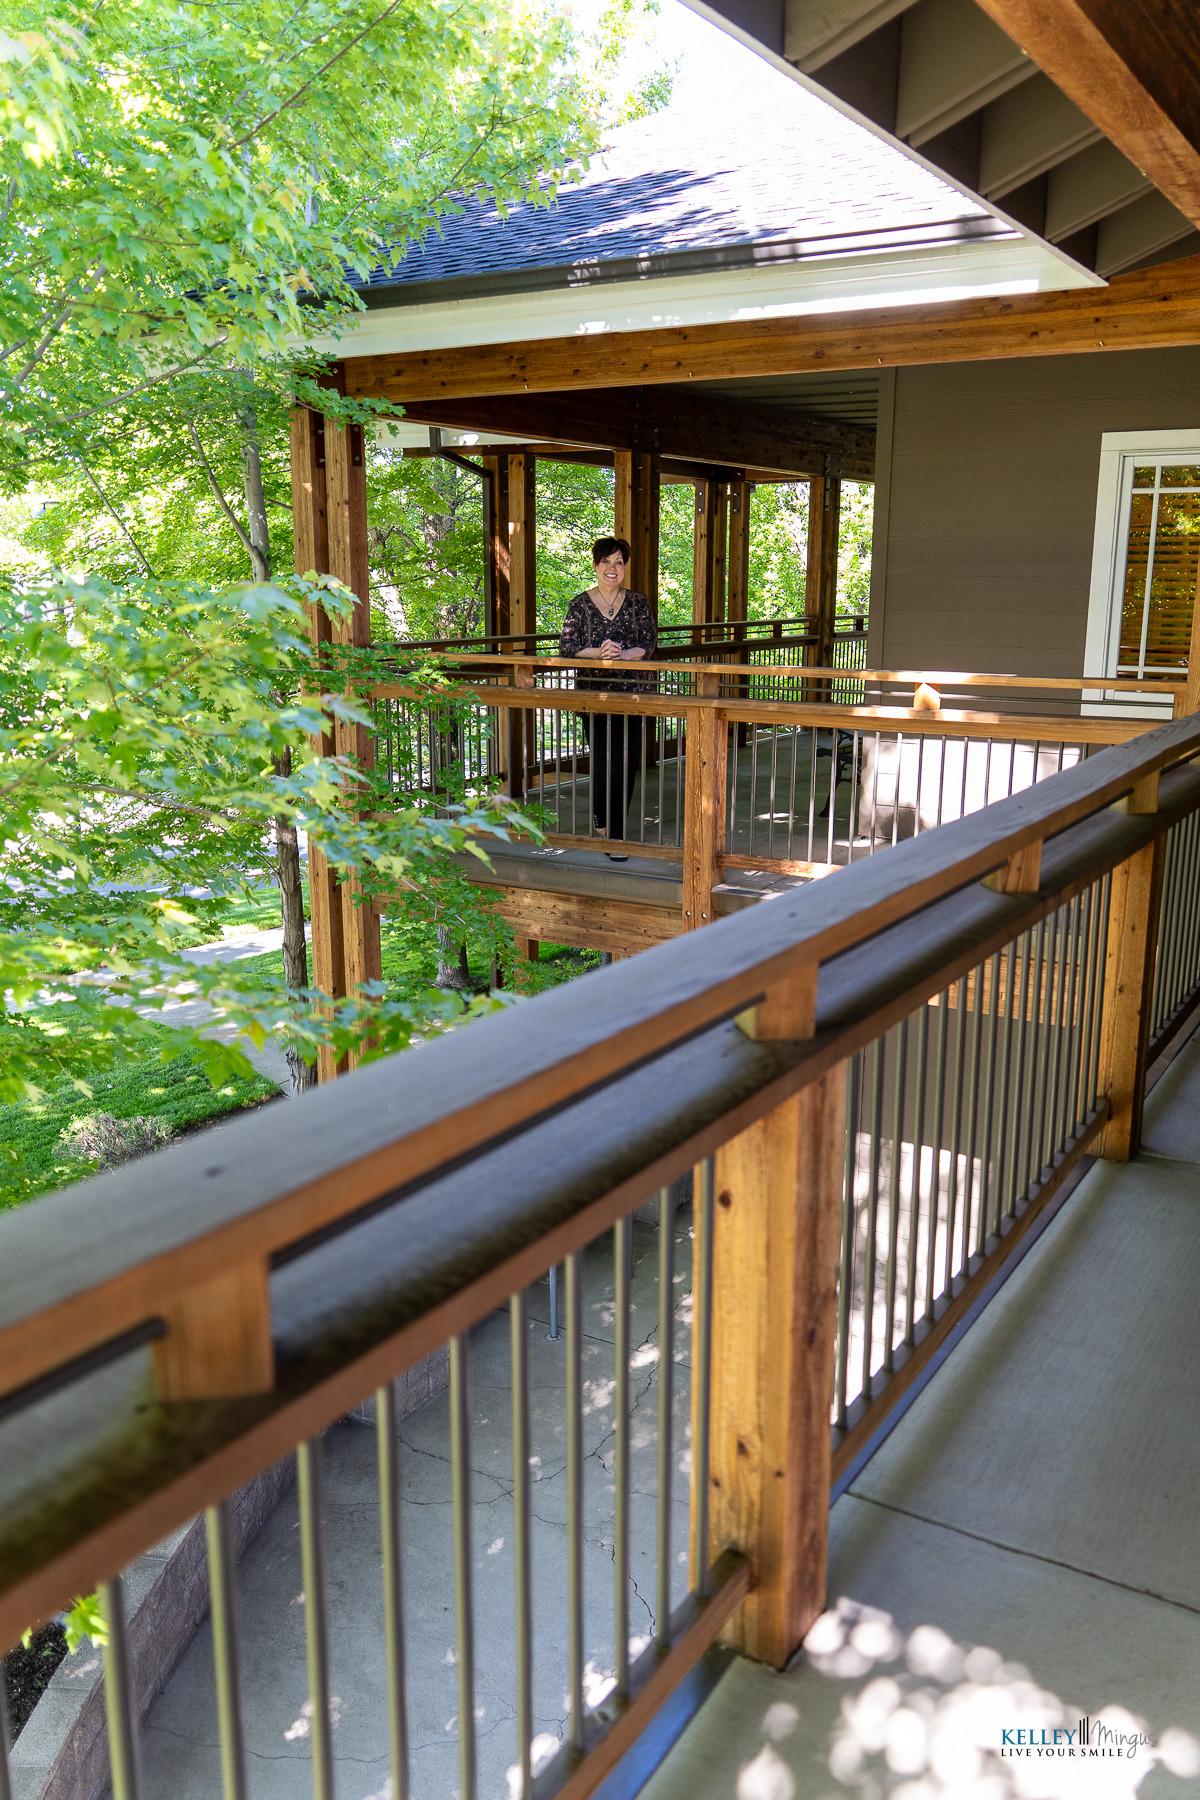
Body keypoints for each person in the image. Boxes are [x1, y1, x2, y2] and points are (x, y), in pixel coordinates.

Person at [558, 537, 657, 857]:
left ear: (625, 568)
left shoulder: (639, 602)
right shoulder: (580, 604)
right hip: (594, 695)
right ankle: (601, 818)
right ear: (596, 565)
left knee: (626, 764)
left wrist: (627, 654)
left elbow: (650, 642)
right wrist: (598, 653)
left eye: (619, 563)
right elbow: (568, 648)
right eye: (606, 562)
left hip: (635, 696)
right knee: (602, 762)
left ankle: (615, 834)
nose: (612, 568)